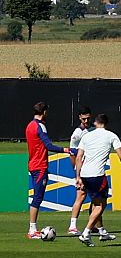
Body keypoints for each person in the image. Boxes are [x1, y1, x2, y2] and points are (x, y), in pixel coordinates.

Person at [73, 113, 121, 245]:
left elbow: (79, 157)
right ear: (106, 123)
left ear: (95, 123)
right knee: (101, 205)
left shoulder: (87, 136)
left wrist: (78, 176)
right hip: (97, 175)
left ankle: (102, 232)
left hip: (85, 174)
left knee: (95, 203)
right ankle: (86, 232)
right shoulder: (111, 135)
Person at [24, 102, 68, 239]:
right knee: (37, 197)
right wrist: (65, 150)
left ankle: (33, 228)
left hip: (33, 164)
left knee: (37, 197)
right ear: (44, 112)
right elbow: (48, 145)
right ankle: (32, 230)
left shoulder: (29, 125)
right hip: (40, 165)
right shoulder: (40, 126)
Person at [67, 109, 94, 236]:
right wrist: (77, 172)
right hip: (83, 170)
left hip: (94, 169)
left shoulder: (94, 130)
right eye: (84, 119)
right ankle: (72, 226)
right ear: (79, 118)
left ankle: (94, 225)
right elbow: (72, 154)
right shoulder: (77, 133)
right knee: (81, 196)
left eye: (88, 118)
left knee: (97, 198)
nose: (86, 121)